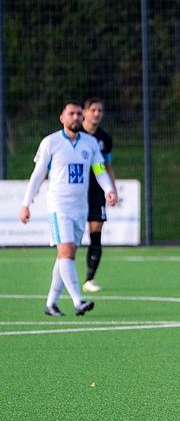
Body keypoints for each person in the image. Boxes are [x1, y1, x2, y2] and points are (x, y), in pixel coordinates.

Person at [19, 101, 118, 316]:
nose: (75, 117)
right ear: (61, 118)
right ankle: (77, 301)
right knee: (65, 251)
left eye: (77, 114)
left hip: (80, 207)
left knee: (67, 255)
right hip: (58, 206)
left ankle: (51, 303)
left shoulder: (90, 143)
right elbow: (38, 175)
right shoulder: (51, 142)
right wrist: (26, 204)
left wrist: (109, 189)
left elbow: (99, 169)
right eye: (70, 114)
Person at [81, 97, 117, 293]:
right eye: (93, 110)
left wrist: (112, 189)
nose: (97, 114)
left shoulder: (105, 139)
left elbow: (107, 166)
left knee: (96, 234)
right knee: (70, 238)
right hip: (76, 192)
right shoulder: (75, 135)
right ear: (85, 112)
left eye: (100, 110)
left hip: (96, 192)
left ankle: (89, 279)